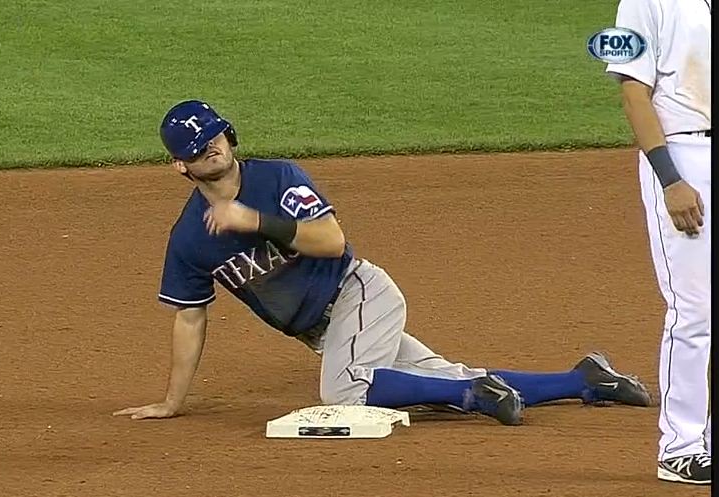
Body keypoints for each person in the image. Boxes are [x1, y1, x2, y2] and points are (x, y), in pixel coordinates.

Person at [113, 99, 652, 429]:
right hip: (326, 332)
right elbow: (189, 317)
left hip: (358, 294)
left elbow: (330, 240)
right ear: (179, 165)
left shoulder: (277, 178)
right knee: (436, 379)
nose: (211, 148)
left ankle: (472, 395)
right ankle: (584, 380)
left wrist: (253, 220)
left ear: (229, 137)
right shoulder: (189, 238)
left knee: (346, 392)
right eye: (197, 147)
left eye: (215, 137)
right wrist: (171, 402)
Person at [604, 0, 712, 486]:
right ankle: (680, 447)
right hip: (684, 156)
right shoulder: (646, 1)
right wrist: (670, 179)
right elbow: (633, 92)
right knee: (694, 312)